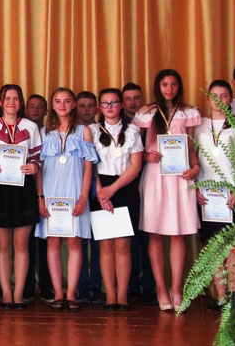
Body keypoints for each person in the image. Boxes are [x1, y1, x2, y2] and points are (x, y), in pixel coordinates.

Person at [133, 69, 201, 311]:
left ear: (179, 86)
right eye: (164, 84)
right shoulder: (147, 112)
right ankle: (161, 288)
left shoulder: (189, 112)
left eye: (173, 84)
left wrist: (195, 167)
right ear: (158, 87)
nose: (169, 89)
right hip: (155, 176)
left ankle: (176, 288)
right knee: (155, 234)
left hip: (181, 177)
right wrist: (145, 155)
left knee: (178, 233)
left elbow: (192, 147)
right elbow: (135, 146)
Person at [36, 88, 98, 312]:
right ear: (52, 105)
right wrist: (40, 197)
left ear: (73, 105)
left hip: (75, 194)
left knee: (74, 243)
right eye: (58, 101)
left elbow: (89, 167)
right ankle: (58, 293)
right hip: (50, 194)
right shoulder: (43, 133)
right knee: (53, 243)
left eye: (67, 101)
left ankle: (71, 293)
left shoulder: (84, 131)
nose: (62, 105)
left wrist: (83, 197)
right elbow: (38, 169)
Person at [0, 84, 41, 309]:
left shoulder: (31, 127)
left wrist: (34, 166)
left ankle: (19, 293)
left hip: (24, 188)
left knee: (21, 244)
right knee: (3, 244)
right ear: (0, 102)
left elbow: (37, 156)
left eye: (16, 99)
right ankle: (6, 293)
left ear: (21, 102)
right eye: (8, 98)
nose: (12, 103)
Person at [196, 80, 235, 310]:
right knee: (214, 248)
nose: (219, 100)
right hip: (207, 196)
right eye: (214, 96)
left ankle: (233, 295)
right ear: (208, 98)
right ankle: (220, 298)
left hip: (232, 195)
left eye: (224, 95)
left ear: (230, 98)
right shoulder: (199, 125)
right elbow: (193, 161)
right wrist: (196, 188)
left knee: (232, 248)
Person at [89, 88, 143, 310]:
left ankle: (122, 295)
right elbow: (89, 164)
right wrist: (102, 193)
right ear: (99, 107)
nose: (110, 107)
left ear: (121, 104)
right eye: (105, 103)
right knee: (105, 245)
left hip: (125, 187)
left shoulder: (133, 130)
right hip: (99, 186)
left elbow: (136, 165)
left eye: (114, 102)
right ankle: (110, 295)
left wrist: (113, 189)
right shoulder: (91, 131)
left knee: (123, 245)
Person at [120, 81, 155, 302]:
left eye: (136, 98)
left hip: (151, 181)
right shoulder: (117, 123)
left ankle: (150, 286)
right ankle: (131, 286)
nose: (133, 103)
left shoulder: (154, 119)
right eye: (128, 99)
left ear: (142, 99)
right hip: (126, 185)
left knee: (149, 235)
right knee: (129, 237)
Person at [75, 90, 103, 304]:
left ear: (97, 108)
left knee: (100, 241)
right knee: (80, 240)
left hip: (103, 192)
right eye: (82, 106)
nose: (86, 110)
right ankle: (82, 286)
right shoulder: (74, 132)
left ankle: (98, 285)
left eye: (90, 106)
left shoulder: (104, 130)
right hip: (79, 191)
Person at [25, 93, 50, 301]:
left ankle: (46, 285)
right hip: (24, 191)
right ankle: (26, 286)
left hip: (48, 190)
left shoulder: (52, 133)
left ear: (46, 111)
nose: (35, 110)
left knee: (46, 241)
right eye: (31, 106)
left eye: (40, 107)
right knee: (27, 242)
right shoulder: (22, 132)